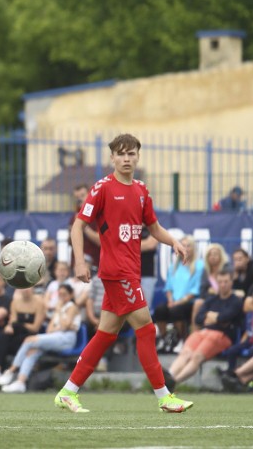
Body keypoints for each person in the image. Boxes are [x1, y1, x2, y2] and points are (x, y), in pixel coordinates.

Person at [54, 133, 193, 414]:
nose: (126, 158)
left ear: (138, 157)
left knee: (106, 334)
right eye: (121, 154)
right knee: (147, 327)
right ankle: (164, 397)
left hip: (131, 271)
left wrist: (174, 241)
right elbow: (78, 226)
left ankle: (68, 392)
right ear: (112, 158)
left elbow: (153, 228)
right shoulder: (102, 188)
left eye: (131, 154)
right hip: (117, 271)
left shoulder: (141, 190)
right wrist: (79, 262)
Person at [0, 283, 80, 393]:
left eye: (64, 294)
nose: (61, 297)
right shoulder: (59, 308)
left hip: (66, 340)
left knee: (29, 340)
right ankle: (20, 382)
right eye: (60, 295)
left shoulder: (71, 306)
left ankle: (11, 370)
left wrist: (59, 312)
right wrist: (60, 325)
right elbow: (49, 330)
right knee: (32, 351)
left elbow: (65, 326)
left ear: (71, 295)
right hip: (56, 337)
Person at [167, 270, 243, 383]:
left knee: (197, 357)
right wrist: (214, 317)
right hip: (204, 332)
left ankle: (174, 382)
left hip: (222, 335)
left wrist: (212, 317)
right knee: (185, 353)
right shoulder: (211, 299)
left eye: (226, 282)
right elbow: (199, 318)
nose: (223, 285)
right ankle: (168, 378)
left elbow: (226, 317)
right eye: (220, 282)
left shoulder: (235, 301)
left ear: (231, 283)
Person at [0, 286, 45, 393]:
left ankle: (8, 373)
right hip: (16, 336)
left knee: (12, 340)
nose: (26, 290)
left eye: (28, 287)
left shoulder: (39, 303)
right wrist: (9, 326)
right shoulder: (15, 302)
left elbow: (35, 328)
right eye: (24, 287)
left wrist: (19, 325)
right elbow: (12, 322)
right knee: (2, 335)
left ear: (32, 289)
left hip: (29, 337)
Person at [153, 236, 202, 352]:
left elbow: (195, 290)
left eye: (188, 245)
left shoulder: (200, 266)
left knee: (176, 310)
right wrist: (170, 300)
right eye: (183, 245)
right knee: (160, 310)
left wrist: (178, 302)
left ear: (193, 248)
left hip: (189, 302)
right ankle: (165, 339)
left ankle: (181, 339)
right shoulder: (173, 267)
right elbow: (168, 288)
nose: (185, 248)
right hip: (174, 301)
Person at [221, 288, 253, 372]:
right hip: (249, 341)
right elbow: (246, 331)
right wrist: (241, 343)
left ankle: (248, 375)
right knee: (232, 350)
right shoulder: (249, 315)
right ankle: (230, 371)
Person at [69, 184, 101, 271]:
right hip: (77, 266)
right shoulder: (74, 217)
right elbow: (70, 242)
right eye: (77, 197)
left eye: (82, 195)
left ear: (89, 195)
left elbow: (100, 241)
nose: (79, 199)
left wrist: (82, 227)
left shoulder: (97, 216)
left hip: (95, 266)